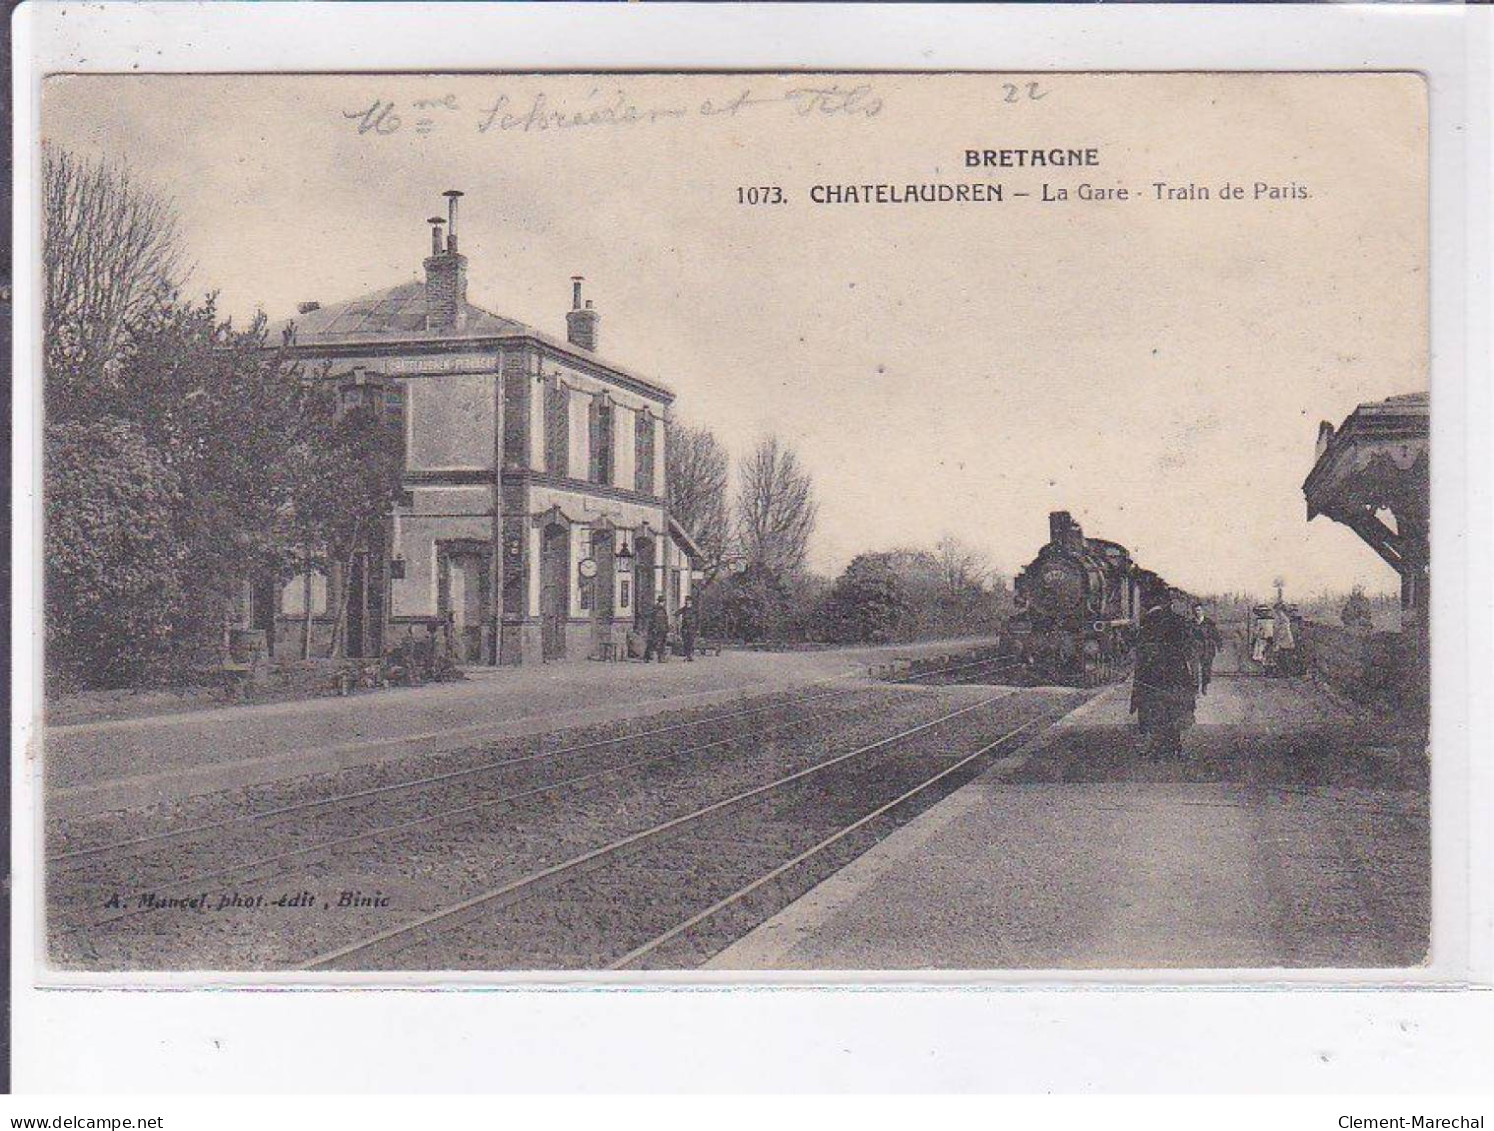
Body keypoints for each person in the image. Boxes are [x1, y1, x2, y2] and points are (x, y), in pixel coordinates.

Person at [1130, 583, 1197, 761]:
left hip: (1151, 674)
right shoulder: (1179, 621)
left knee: (1154, 709)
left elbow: (1139, 650)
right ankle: (1174, 746)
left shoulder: (1146, 622)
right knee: (1174, 708)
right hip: (1176, 673)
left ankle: (1157, 748)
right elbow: (1188, 649)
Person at [1191, 603, 1221, 695]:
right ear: (1193, 612)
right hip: (1195, 647)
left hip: (1207, 647)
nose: (1198, 612)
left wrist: (1219, 645)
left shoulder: (1209, 623)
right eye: (1196, 610)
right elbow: (1187, 635)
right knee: (1194, 668)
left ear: (1203, 611)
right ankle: (1195, 687)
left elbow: (1216, 635)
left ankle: (1204, 686)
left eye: (1199, 610)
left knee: (1206, 669)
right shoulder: (1191, 623)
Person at [643, 595, 670, 663]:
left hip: (662, 629)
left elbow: (665, 619)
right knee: (653, 643)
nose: (663, 603)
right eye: (662, 601)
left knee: (661, 644)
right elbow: (652, 619)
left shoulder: (663, 609)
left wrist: (667, 628)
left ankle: (660, 658)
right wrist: (653, 628)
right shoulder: (655, 609)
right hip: (656, 629)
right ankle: (647, 657)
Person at [679, 596, 699, 662]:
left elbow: (697, 619)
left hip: (692, 628)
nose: (688, 602)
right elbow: (677, 613)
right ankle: (687, 655)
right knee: (685, 642)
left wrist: (697, 628)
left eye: (689, 601)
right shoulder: (684, 609)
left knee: (691, 642)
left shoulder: (694, 610)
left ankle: (689, 655)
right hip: (685, 628)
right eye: (687, 601)